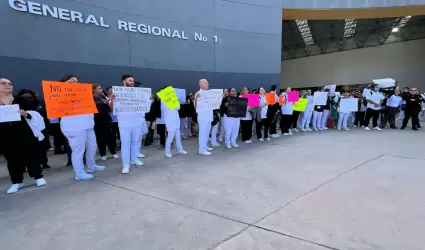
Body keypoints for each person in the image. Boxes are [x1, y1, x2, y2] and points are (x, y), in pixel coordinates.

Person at [0, 78, 47, 194]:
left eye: (10, 83)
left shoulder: (20, 100)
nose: (8, 85)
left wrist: (26, 114)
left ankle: (38, 177)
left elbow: (36, 115)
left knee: (31, 154)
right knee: (11, 159)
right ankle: (17, 181)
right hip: (5, 135)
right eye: (3, 83)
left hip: (24, 133)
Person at [59, 75, 105, 180]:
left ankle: (91, 166)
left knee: (92, 147)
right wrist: (64, 88)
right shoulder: (61, 96)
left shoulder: (84, 94)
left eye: (76, 81)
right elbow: (57, 103)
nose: (75, 83)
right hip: (74, 127)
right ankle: (79, 173)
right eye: (71, 81)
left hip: (88, 125)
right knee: (78, 150)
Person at [111, 75, 144, 174]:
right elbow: (112, 109)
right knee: (125, 144)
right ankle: (126, 164)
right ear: (124, 81)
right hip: (125, 123)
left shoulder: (138, 93)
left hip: (137, 122)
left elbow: (144, 106)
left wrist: (147, 99)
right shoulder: (117, 93)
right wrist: (112, 99)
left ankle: (134, 159)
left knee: (135, 141)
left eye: (133, 80)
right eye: (130, 80)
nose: (132, 82)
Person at [16, 89, 52, 171]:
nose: (27, 100)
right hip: (23, 133)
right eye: (24, 98)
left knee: (41, 149)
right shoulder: (16, 109)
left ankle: (44, 163)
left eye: (30, 98)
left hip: (38, 133)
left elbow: (39, 121)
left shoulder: (37, 109)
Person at [92, 84, 119, 161]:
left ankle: (113, 152)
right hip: (97, 120)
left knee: (111, 136)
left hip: (107, 118)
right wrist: (109, 99)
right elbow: (99, 105)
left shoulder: (103, 97)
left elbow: (109, 108)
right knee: (100, 137)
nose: (101, 89)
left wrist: (111, 101)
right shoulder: (92, 98)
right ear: (94, 90)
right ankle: (103, 154)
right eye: (99, 88)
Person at [160, 87, 188, 158]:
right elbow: (164, 109)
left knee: (178, 136)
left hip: (176, 119)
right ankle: (167, 152)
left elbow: (178, 108)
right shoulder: (163, 100)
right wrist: (172, 102)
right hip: (169, 120)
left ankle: (180, 149)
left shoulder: (174, 99)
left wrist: (175, 101)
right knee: (170, 137)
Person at [195, 79, 214, 155]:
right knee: (202, 133)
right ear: (201, 84)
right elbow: (196, 106)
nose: (208, 85)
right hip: (203, 117)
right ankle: (201, 150)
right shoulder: (198, 93)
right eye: (206, 83)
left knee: (207, 133)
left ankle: (205, 146)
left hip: (209, 116)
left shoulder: (208, 93)